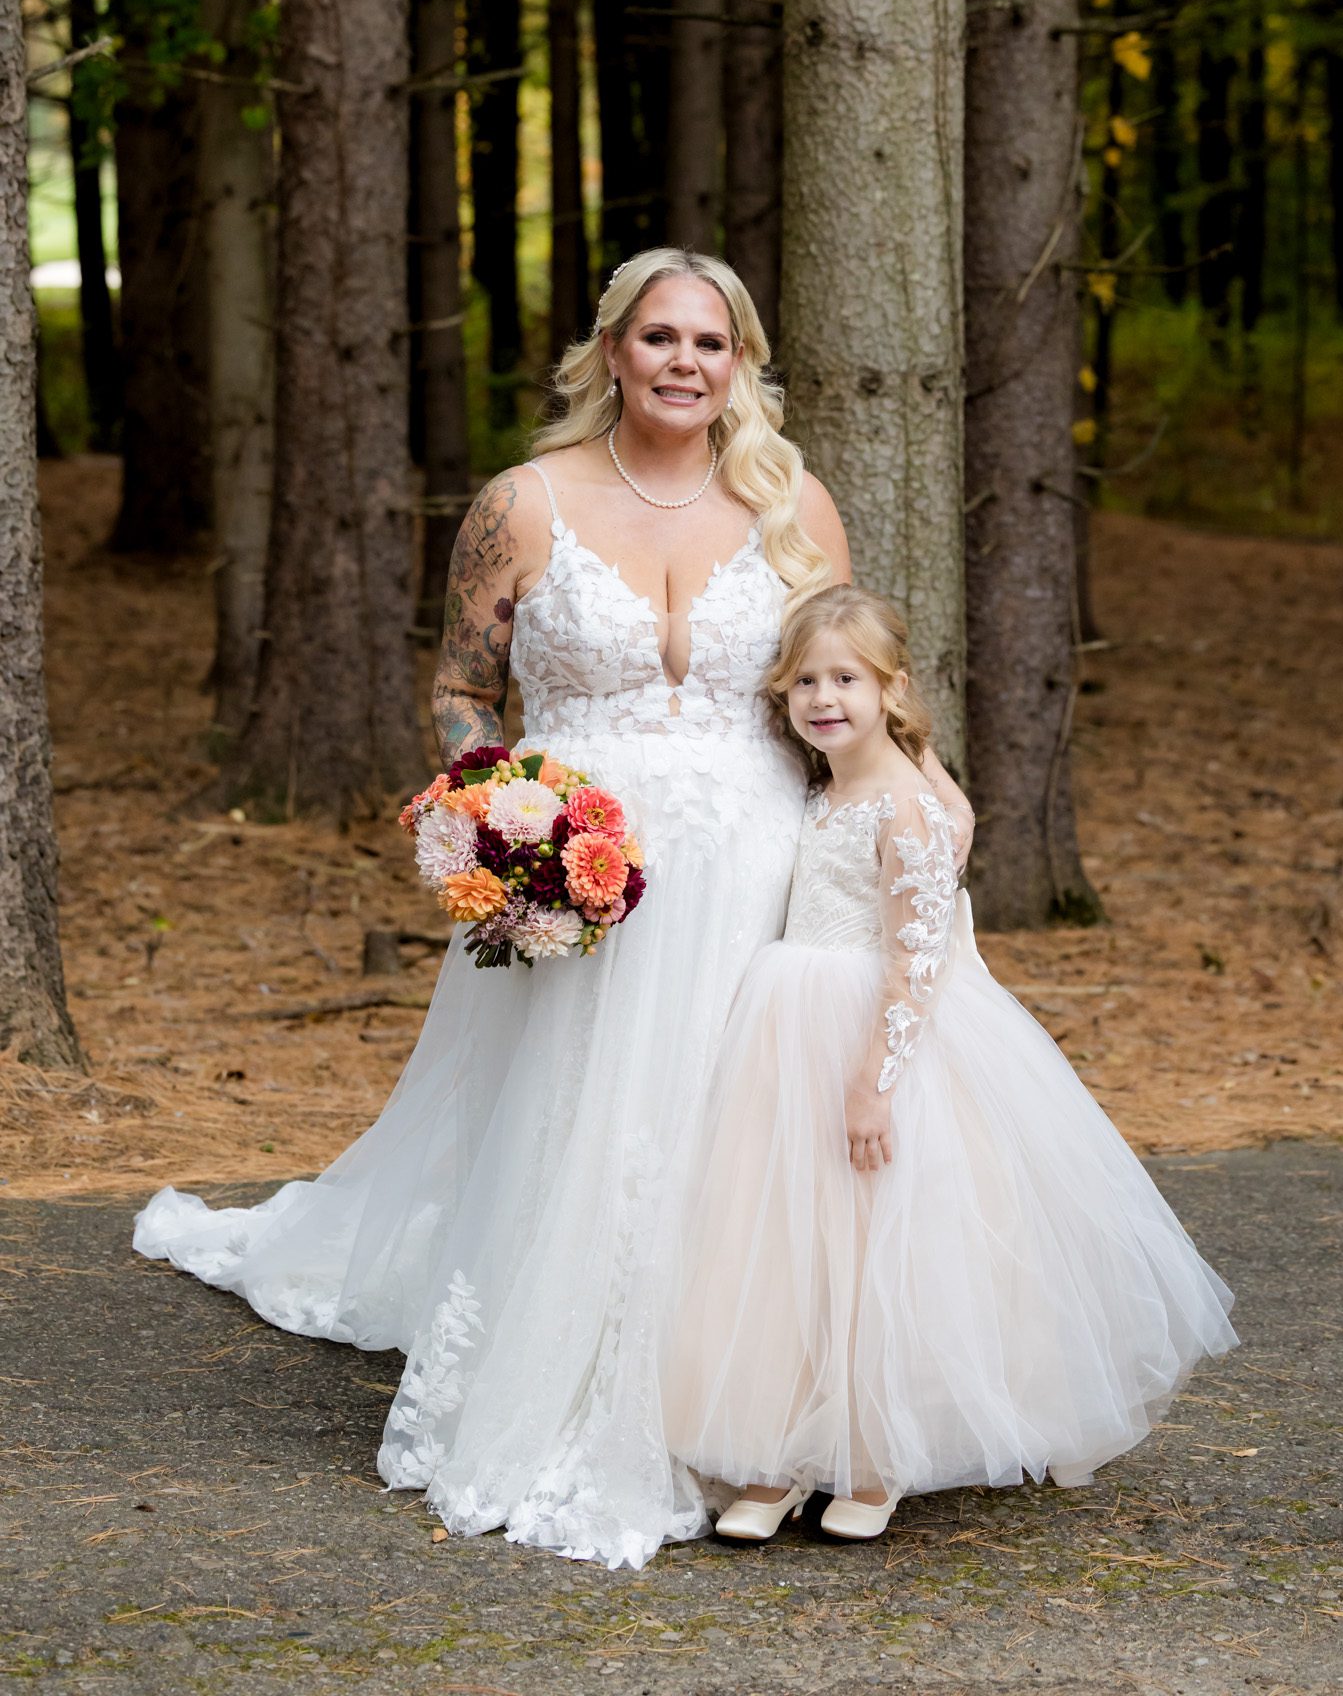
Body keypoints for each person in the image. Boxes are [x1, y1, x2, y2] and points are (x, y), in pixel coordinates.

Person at [133, 249, 974, 1570]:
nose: (684, 363)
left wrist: (924, 790)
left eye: (711, 342)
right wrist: (494, 805)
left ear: (740, 362)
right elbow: (465, 687)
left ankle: (751, 1398)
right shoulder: (521, 502)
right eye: (659, 338)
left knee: (743, 1131)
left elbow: (845, 673)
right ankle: (574, 1381)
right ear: (612, 353)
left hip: (758, 870)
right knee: (585, 1126)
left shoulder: (790, 500)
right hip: (581, 872)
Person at [664, 585, 1237, 1543]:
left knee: (877, 1244)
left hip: (872, 1043)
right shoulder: (823, 789)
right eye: (804, 679)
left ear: (889, 689)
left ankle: (874, 1455)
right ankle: (776, 1452)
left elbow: (915, 959)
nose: (821, 697)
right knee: (784, 1240)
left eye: (845, 677)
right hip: (780, 1030)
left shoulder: (906, 806)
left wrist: (871, 1084)